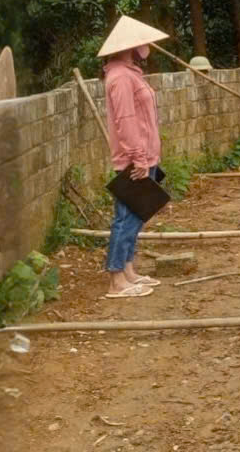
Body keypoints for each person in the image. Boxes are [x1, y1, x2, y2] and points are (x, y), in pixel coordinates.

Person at [97, 15, 170, 299]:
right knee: (126, 218)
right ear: (131, 45)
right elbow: (126, 121)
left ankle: (128, 269)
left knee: (136, 215)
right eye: (143, 42)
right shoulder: (119, 77)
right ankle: (116, 280)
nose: (147, 46)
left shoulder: (130, 73)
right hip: (133, 159)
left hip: (145, 156)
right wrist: (138, 157)